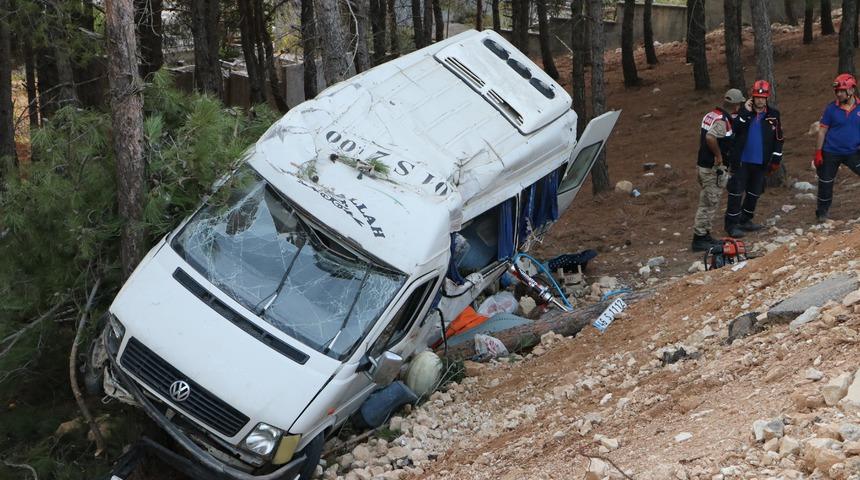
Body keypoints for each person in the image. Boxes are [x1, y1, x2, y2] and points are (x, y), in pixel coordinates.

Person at [724, 80, 784, 238]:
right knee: (736, 193)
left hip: (761, 161)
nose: (760, 100)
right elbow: (735, 129)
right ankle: (731, 225)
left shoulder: (773, 115)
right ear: (752, 97)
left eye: (763, 98)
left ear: (767, 98)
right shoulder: (743, 113)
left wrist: (776, 158)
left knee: (754, 192)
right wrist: (745, 112)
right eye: (757, 97)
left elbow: (778, 138)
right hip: (742, 161)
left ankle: (745, 220)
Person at [691, 89, 746, 252]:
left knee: (707, 201)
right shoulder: (722, 121)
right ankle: (700, 238)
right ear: (736, 105)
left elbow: (704, 136)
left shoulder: (711, 115)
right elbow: (710, 137)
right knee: (709, 203)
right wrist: (719, 156)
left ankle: (705, 234)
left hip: (703, 165)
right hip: (712, 169)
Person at [813, 73, 860, 223]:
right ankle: (822, 213)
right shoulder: (831, 109)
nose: (838, 94)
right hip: (831, 152)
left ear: (851, 90)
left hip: (853, 151)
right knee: (825, 182)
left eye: (842, 91)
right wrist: (818, 152)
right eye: (837, 91)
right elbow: (822, 131)